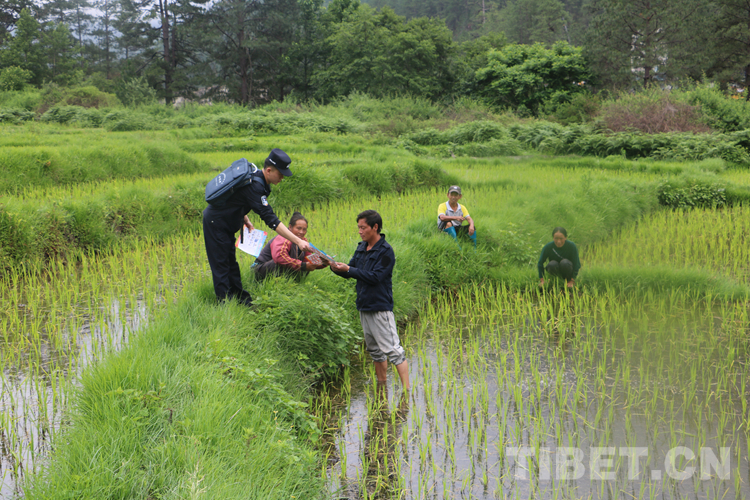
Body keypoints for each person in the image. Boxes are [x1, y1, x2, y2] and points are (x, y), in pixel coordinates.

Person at [202, 148, 310, 307]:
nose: (282, 178)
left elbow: (237, 198)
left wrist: (244, 217)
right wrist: (298, 241)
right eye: (280, 174)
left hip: (225, 222)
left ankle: (242, 300)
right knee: (221, 264)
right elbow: (272, 220)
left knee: (231, 263)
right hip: (216, 223)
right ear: (269, 170)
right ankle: (224, 305)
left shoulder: (256, 178)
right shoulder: (256, 186)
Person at [330, 210, 410, 391]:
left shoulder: (386, 251)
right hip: (364, 306)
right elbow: (351, 271)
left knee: (394, 350)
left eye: (363, 228)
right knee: (375, 351)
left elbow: (375, 277)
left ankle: (407, 392)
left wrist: (349, 269)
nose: (360, 231)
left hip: (380, 307)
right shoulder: (361, 248)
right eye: (358, 227)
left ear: (375, 227)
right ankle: (382, 387)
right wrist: (334, 267)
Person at [253, 212, 328, 280]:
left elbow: (308, 259)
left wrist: (323, 262)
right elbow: (279, 257)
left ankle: (292, 284)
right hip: (260, 269)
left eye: (304, 229)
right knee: (283, 263)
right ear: (290, 227)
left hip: (276, 271)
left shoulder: (303, 241)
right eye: (298, 228)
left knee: (304, 266)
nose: (301, 232)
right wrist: (303, 265)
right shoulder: (283, 238)